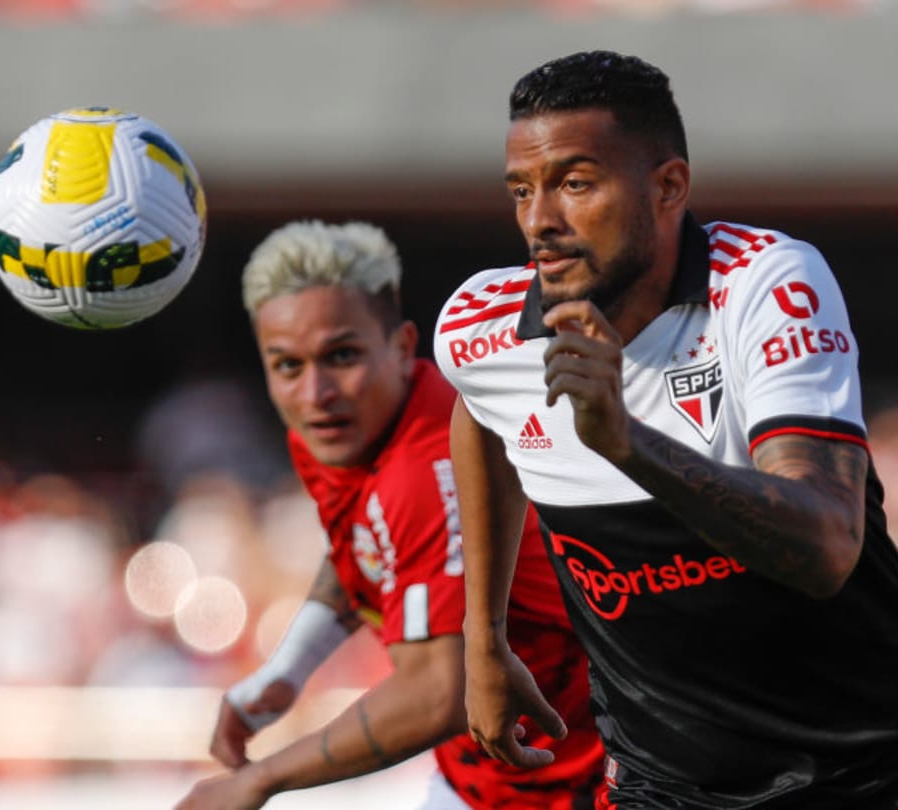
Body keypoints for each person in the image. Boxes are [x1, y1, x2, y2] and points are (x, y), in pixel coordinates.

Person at [432, 51, 898, 810]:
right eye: (521, 190)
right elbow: (478, 410)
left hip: (883, 777)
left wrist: (627, 442)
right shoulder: (480, 323)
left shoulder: (767, 283)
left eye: (574, 183)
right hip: (667, 791)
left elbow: (828, 545)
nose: (540, 220)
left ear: (668, 187)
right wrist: (485, 642)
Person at [175, 220, 604, 810]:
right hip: (481, 783)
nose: (315, 392)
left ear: (403, 348)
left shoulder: (423, 469)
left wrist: (259, 779)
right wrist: (292, 666)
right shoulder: (345, 430)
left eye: (341, 355)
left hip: (579, 788)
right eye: (287, 365)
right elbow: (365, 544)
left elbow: (437, 693)